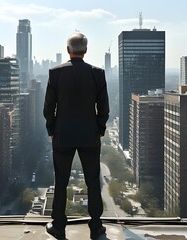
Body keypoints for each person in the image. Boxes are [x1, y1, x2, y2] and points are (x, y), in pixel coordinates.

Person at [43, 32, 109, 240]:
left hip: (62, 136)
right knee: (93, 182)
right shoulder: (97, 73)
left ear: (68, 50)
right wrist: (98, 130)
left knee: (61, 182)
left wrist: (52, 131)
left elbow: (48, 109)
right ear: (86, 50)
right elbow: (104, 109)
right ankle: (96, 227)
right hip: (90, 136)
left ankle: (59, 226)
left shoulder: (55, 73)